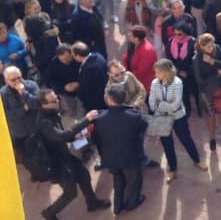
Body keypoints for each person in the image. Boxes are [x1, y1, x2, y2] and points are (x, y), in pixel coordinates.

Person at [36, 88, 111, 219]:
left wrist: (73, 137)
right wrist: (86, 120)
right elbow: (61, 136)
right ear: (44, 105)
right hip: (56, 162)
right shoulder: (44, 122)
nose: (58, 101)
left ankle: (92, 203)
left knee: (84, 176)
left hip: (64, 154)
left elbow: (59, 137)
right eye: (53, 101)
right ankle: (49, 213)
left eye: (57, 98)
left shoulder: (51, 114)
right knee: (71, 192)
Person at [149, 59, 208, 184]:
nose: (155, 75)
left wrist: (160, 104)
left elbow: (176, 105)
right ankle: (172, 168)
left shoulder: (177, 82)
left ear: (165, 72)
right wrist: (165, 105)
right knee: (167, 143)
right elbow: (151, 103)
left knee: (186, 139)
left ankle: (197, 160)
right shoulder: (154, 83)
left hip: (178, 117)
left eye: (158, 72)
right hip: (162, 118)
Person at [93, 83, 147, 215]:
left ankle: (118, 205)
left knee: (118, 180)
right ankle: (132, 202)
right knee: (133, 182)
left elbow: (97, 138)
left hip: (111, 157)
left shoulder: (100, 118)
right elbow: (143, 126)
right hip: (130, 157)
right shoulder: (134, 116)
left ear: (110, 99)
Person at [193, 33, 221, 150]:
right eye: (208, 46)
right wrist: (217, 75)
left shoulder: (217, 48)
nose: (211, 48)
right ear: (201, 47)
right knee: (210, 115)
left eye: (211, 45)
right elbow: (200, 81)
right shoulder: (197, 58)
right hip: (207, 91)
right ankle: (212, 138)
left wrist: (213, 62)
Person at [0, 66, 38, 159]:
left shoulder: (31, 85)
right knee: (26, 156)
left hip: (36, 126)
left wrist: (24, 93)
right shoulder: (3, 94)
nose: (18, 81)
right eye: (13, 80)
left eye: (19, 78)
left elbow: (36, 104)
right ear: (6, 81)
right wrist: (23, 109)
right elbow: (6, 115)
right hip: (19, 131)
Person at [166, 22, 200, 117]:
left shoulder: (193, 42)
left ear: (185, 32)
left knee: (196, 91)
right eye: (175, 34)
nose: (177, 36)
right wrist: (178, 71)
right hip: (178, 72)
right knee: (183, 92)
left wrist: (188, 72)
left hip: (191, 72)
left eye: (180, 34)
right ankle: (187, 109)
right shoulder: (171, 41)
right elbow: (169, 58)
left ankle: (200, 108)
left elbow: (196, 60)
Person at [23, 0, 59, 84]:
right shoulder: (27, 21)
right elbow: (29, 34)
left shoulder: (44, 16)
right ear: (29, 10)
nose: (38, 10)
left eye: (38, 7)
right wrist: (28, 41)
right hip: (37, 45)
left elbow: (53, 27)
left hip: (47, 44)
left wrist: (54, 31)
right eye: (35, 8)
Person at [71, 41, 108, 112]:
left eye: (73, 56)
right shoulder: (98, 56)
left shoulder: (88, 70)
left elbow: (84, 89)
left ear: (78, 56)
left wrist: (77, 91)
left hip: (95, 101)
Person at [48, 44, 82, 118]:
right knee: (74, 109)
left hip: (82, 90)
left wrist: (79, 83)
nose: (64, 62)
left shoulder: (78, 59)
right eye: (62, 60)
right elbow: (52, 80)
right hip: (68, 94)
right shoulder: (54, 63)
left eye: (67, 58)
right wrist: (63, 87)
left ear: (71, 54)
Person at [123, 26, 157, 96]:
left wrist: (128, 78)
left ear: (136, 38)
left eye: (131, 35)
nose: (128, 35)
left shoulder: (147, 51)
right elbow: (127, 56)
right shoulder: (133, 43)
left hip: (145, 85)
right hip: (134, 80)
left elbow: (141, 72)